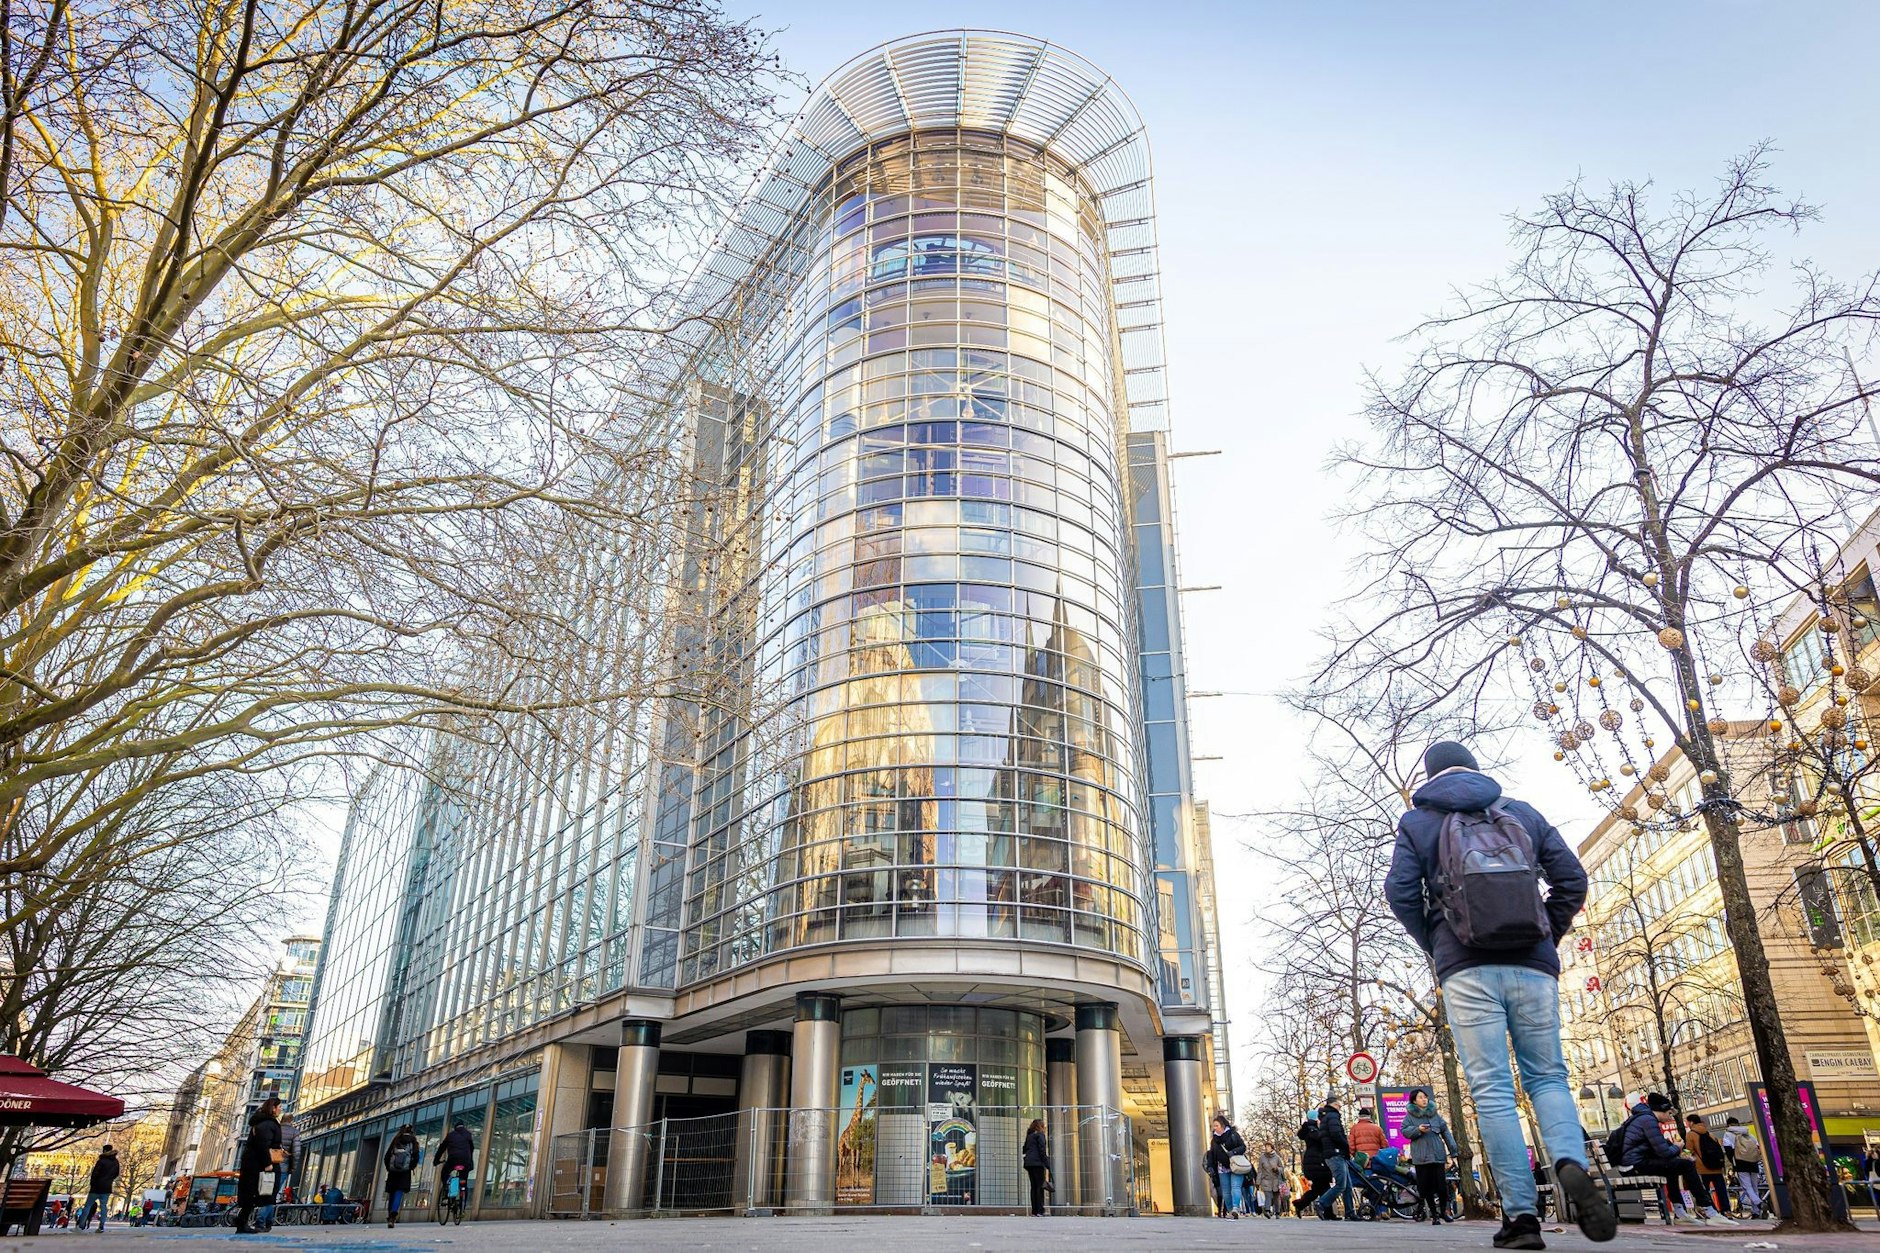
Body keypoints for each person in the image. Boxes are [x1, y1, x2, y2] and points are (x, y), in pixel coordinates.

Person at [1385, 739, 1617, 1251]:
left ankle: (1521, 1220)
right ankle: (1569, 1162)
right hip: (1532, 965)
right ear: (1474, 769)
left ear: (1430, 776)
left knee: (1491, 1091)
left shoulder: (1419, 823)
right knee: (1549, 1076)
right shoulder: (1522, 814)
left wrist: (1440, 944)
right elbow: (1571, 879)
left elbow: (1400, 891)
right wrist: (1545, 935)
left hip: (1466, 970)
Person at [1614, 1093, 1733, 1225]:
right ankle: (1710, 1211)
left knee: (1672, 1167)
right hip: (1633, 1166)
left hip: (1630, 1164)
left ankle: (1680, 1212)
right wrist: (1677, 1147)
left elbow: (1656, 1147)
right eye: (1669, 1113)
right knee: (1686, 1165)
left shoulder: (1642, 1118)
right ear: (1661, 1111)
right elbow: (1664, 1152)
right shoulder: (1648, 1120)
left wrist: (1673, 1149)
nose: (1670, 1117)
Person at [1402, 1086, 1459, 1225]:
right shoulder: (1409, 1117)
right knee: (1425, 1187)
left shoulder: (1435, 1115)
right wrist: (1418, 1130)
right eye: (1420, 1097)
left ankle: (1444, 1212)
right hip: (1421, 1157)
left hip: (1437, 1154)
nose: (1424, 1099)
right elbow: (1404, 1131)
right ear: (1414, 1101)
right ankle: (1434, 1214)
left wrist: (1453, 1150)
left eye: (1425, 1097)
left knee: (1442, 1186)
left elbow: (1446, 1132)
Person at [232, 1094, 284, 1235]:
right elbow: (263, 1144)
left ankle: (242, 1222)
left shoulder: (261, 1122)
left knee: (254, 1193)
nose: (281, 1110)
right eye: (279, 1107)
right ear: (273, 1108)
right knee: (256, 1193)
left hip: (254, 1162)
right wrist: (268, 1163)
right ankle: (242, 1222)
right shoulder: (267, 1124)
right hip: (258, 1164)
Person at [1315, 1098, 1355, 1220]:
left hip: (1333, 1153)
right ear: (1334, 1105)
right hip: (1335, 1153)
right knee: (1341, 1185)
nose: (1340, 1107)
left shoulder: (1325, 1117)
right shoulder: (1332, 1116)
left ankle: (1350, 1212)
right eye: (1339, 1105)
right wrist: (1346, 1146)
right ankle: (1321, 1203)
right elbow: (1336, 1134)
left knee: (1348, 1185)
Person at [1685, 1115, 1731, 1215]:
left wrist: (1682, 1154)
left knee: (1703, 1191)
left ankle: (1712, 1211)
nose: (1687, 1124)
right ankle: (1726, 1211)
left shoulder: (1690, 1134)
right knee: (1721, 1190)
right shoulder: (1710, 1133)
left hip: (1702, 1168)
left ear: (1691, 1122)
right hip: (1716, 1168)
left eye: (1687, 1122)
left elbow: (1688, 1151)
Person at [1205, 1114, 1249, 1219]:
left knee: (1235, 1187)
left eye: (1216, 1125)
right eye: (1213, 1126)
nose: (1215, 1128)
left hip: (1235, 1166)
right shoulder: (1214, 1140)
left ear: (1223, 1125)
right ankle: (1231, 1211)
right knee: (1225, 1191)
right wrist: (1210, 1167)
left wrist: (1233, 1152)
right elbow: (1211, 1154)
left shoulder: (1233, 1135)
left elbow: (1243, 1147)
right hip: (1222, 1168)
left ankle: (1235, 1208)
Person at [1293, 1110, 1333, 1217]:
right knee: (1325, 1188)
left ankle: (1300, 1204)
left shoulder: (1309, 1128)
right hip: (1317, 1162)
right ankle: (1328, 1213)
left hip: (1314, 1161)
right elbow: (1320, 1139)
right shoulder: (1312, 1129)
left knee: (1317, 1189)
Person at [1722, 1118, 1764, 1216]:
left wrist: (1733, 1164)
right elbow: (1757, 1146)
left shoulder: (1727, 1135)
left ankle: (1758, 1203)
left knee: (1747, 1187)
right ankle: (1756, 1211)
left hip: (1740, 1163)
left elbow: (1729, 1152)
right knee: (1754, 1187)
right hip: (1753, 1162)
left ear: (1728, 1125)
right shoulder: (1748, 1133)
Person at [384, 1124, 421, 1227]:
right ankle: (394, 1213)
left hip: (393, 1171)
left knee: (392, 1192)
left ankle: (390, 1216)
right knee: (399, 1192)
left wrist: (389, 1167)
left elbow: (387, 1156)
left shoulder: (396, 1140)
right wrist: (411, 1167)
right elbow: (416, 1156)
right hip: (405, 1172)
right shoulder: (413, 1142)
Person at [77, 1144, 119, 1231]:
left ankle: (81, 1224)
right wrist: (109, 1180)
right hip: (107, 1187)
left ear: (104, 1151)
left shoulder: (101, 1161)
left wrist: (92, 1184)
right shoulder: (116, 1162)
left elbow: (95, 1174)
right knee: (104, 1206)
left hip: (96, 1187)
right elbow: (116, 1174)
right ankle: (101, 1226)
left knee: (88, 1206)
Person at [434, 1119, 477, 1204]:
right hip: (465, 1161)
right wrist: (470, 1162)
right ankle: (462, 1206)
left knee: (444, 1173)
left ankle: (446, 1189)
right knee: (463, 1180)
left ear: (455, 1127)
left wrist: (436, 1160)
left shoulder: (451, 1135)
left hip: (453, 1160)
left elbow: (441, 1148)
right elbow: (471, 1149)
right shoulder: (468, 1135)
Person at [1022, 1118, 1050, 1217]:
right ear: (1041, 1126)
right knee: (1039, 1187)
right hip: (1038, 1163)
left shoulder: (1029, 1136)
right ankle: (1040, 1210)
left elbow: (1024, 1149)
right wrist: (1047, 1163)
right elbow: (1042, 1150)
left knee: (1033, 1187)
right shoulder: (1040, 1135)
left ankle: (1034, 1211)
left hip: (1029, 1163)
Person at [1255, 1143, 1286, 1218]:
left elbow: (1282, 1168)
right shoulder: (1262, 1158)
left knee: (1276, 1197)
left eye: (1268, 1147)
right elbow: (1260, 1170)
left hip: (1276, 1180)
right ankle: (1267, 1211)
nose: (1266, 1148)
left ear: (1272, 1148)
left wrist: (1277, 1169)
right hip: (1266, 1180)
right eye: (1265, 1147)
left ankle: (1277, 1212)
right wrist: (1258, 1182)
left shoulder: (1277, 1157)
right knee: (1268, 1195)